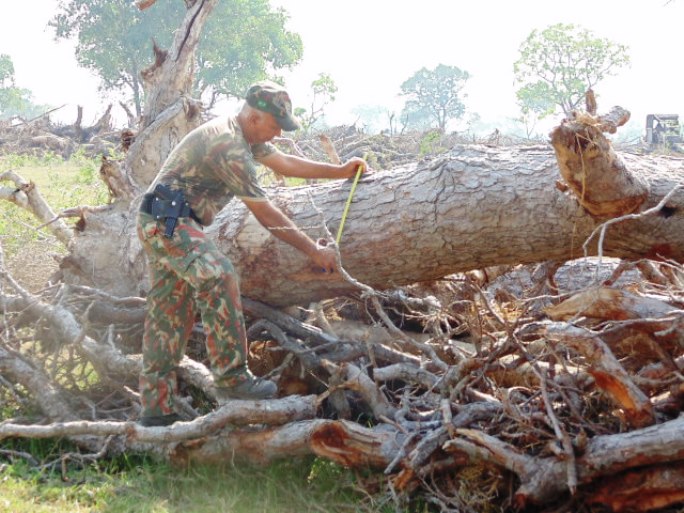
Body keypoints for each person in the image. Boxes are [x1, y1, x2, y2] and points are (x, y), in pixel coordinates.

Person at [136, 80, 367, 427]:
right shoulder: (228, 144)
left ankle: (156, 412)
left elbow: (284, 162)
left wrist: (339, 171)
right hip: (166, 219)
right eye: (274, 126)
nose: (275, 134)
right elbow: (265, 213)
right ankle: (232, 379)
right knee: (219, 274)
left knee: (171, 314)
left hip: (169, 218)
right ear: (255, 117)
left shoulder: (244, 135)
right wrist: (313, 251)